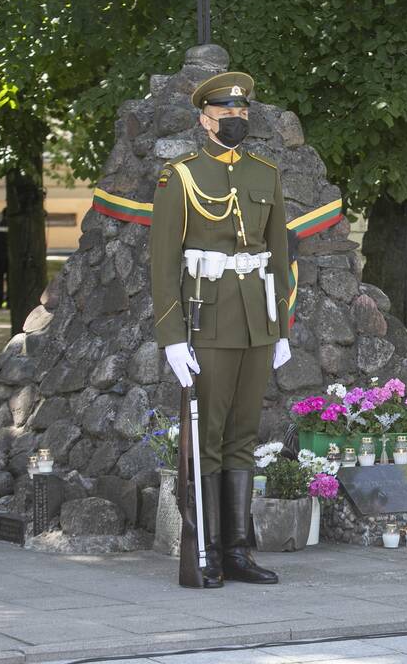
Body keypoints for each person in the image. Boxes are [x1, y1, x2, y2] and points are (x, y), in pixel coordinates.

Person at [152, 71, 291, 588]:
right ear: (204, 121)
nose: (236, 120)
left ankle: (236, 550)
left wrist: (281, 328)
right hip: (206, 318)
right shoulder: (180, 176)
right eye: (225, 115)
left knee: (243, 436)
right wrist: (170, 337)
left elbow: (278, 257)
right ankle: (205, 549)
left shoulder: (265, 174)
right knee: (206, 437)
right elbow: (163, 262)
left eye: (242, 113)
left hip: (258, 321)